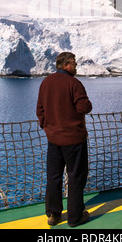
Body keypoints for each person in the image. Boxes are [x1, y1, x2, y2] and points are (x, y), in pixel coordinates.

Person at [36, 52, 93, 227]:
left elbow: (40, 109)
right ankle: (75, 217)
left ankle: (53, 214)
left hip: (54, 139)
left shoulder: (46, 83)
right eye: (74, 63)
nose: (76, 66)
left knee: (54, 177)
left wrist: (48, 128)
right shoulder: (74, 83)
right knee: (76, 177)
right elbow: (84, 107)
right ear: (66, 64)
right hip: (74, 139)